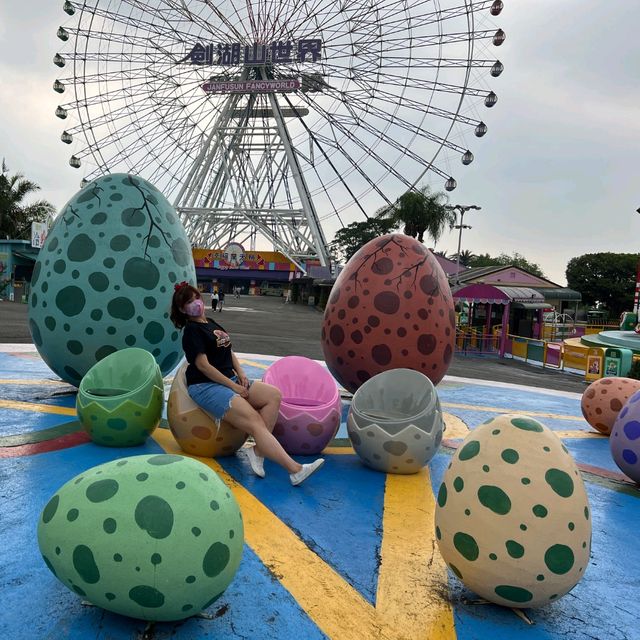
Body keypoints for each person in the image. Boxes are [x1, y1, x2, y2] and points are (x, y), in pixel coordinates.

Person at [170, 282, 324, 485]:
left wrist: (240, 373)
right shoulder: (192, 331)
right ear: (182, 309)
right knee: (254, 421)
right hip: (207, 386)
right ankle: (294, 470)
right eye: (189, 302)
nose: (195, 303)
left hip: (229, 379)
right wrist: (233, 387)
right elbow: (203, 366)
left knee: (273, 396)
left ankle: (258, 452)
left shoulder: (211, 322)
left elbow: (228, 350)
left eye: (196, 298)